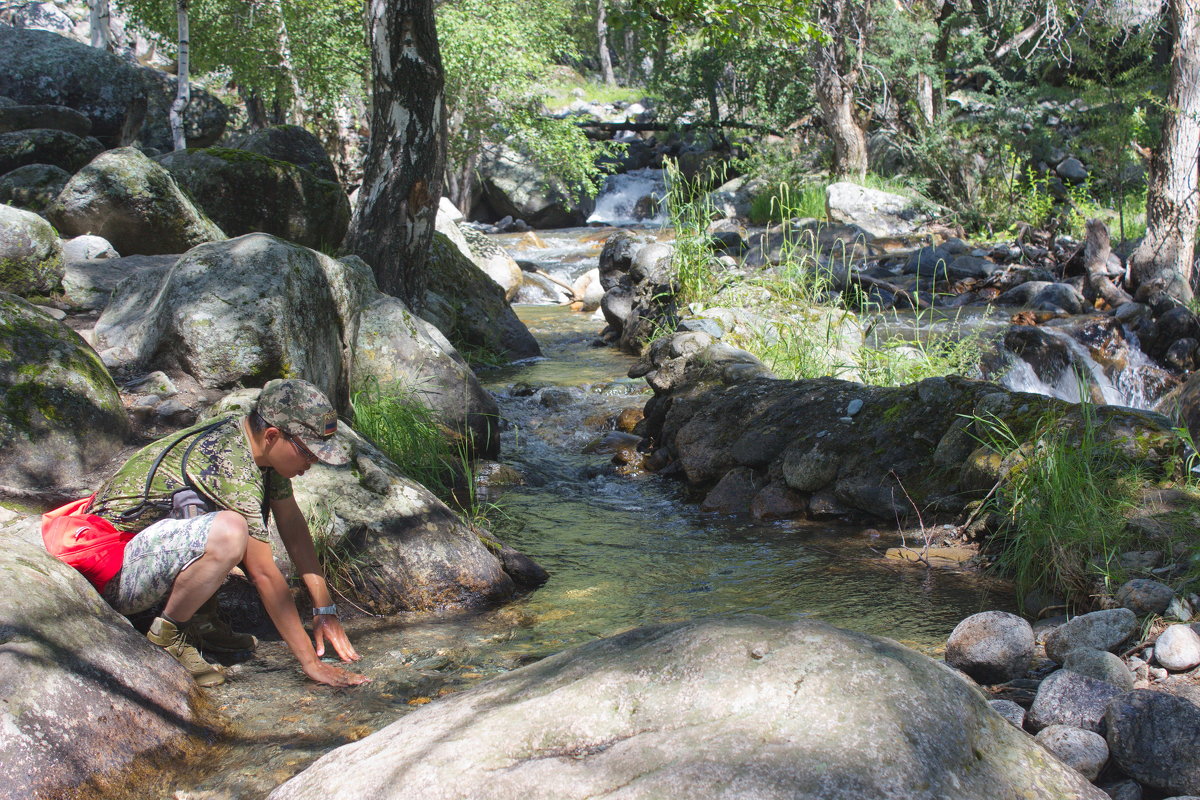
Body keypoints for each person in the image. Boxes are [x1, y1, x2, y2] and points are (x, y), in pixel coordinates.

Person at [86, 378, 369, 688]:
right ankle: (168, 634)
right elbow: (263, 572)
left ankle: (202, 621)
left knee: (228, 526)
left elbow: (291, 523)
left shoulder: (259, 449)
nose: (312, 463)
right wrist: (311, 663)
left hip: (145, 557)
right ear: (273, 435)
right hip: (113, 576)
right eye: (308, 453)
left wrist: (323, 606)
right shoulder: (230, 460)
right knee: (231, 531)